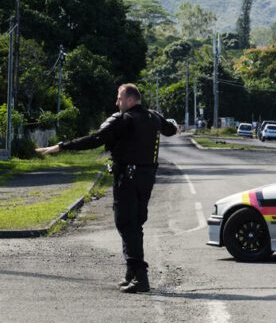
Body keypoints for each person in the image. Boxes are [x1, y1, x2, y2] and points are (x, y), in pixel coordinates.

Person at [36, 84, 178, 294]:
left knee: (126, 223)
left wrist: (61, 146)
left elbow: (95, 139)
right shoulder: (153, 117)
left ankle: (141, 277)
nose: (116, 102)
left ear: (130, 100)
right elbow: (171, 129)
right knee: (135, 224)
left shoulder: (123, 120)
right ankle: (131, 273)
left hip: (127, 179)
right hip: (147, 178)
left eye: (119, 98)